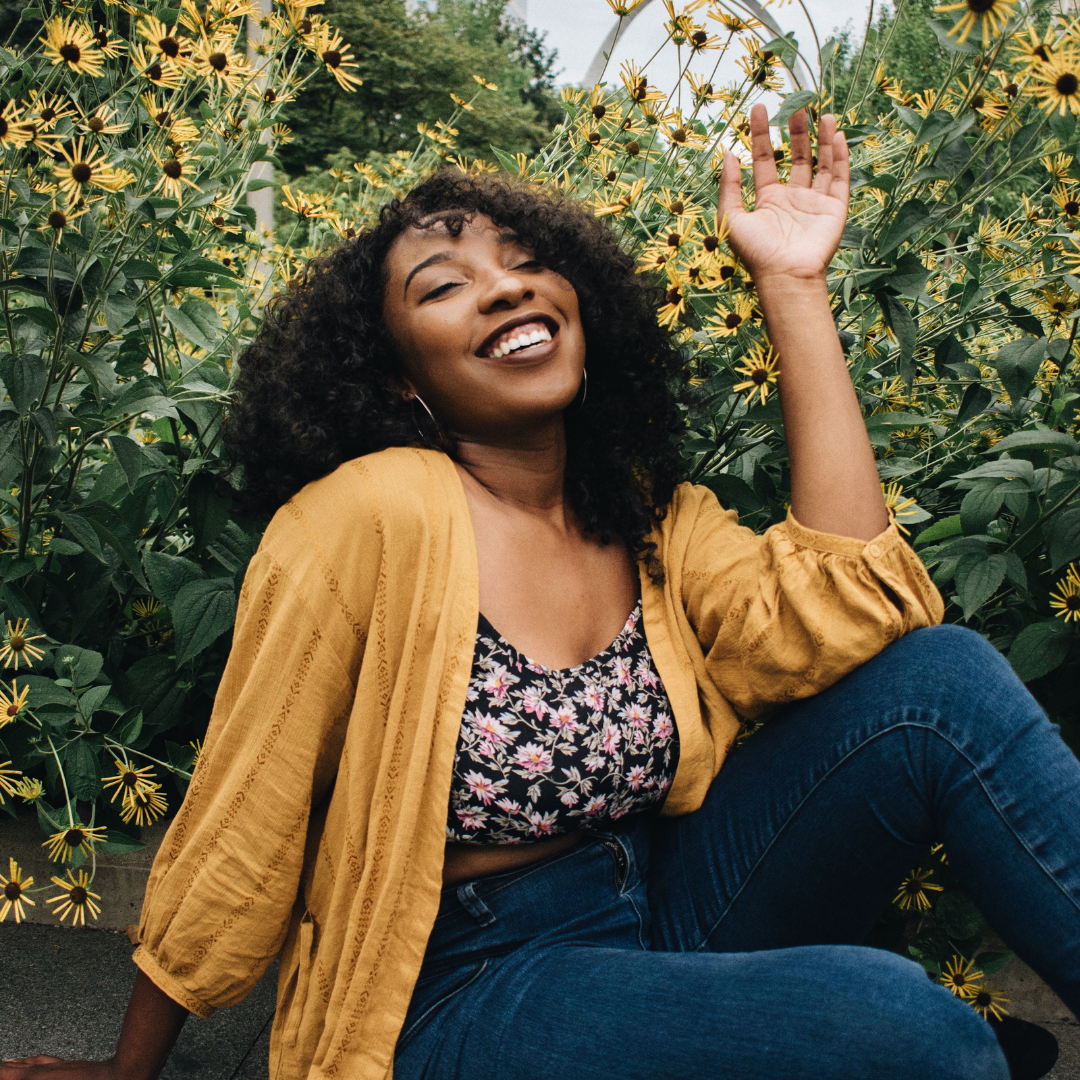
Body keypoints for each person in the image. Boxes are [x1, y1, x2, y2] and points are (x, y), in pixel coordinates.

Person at [4, 105, 1077, 1080]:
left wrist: (790, 287)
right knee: (906, 1030)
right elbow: (247, 811)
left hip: (660, 902)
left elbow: (838, 617)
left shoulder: (644, 514)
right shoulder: (364, 520)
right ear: (399, 380)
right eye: (444, 285)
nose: (505, 284)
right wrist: (126, 1072)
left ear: (574, 296)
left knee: (940, 684)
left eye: (524, 261)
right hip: (471, 983)